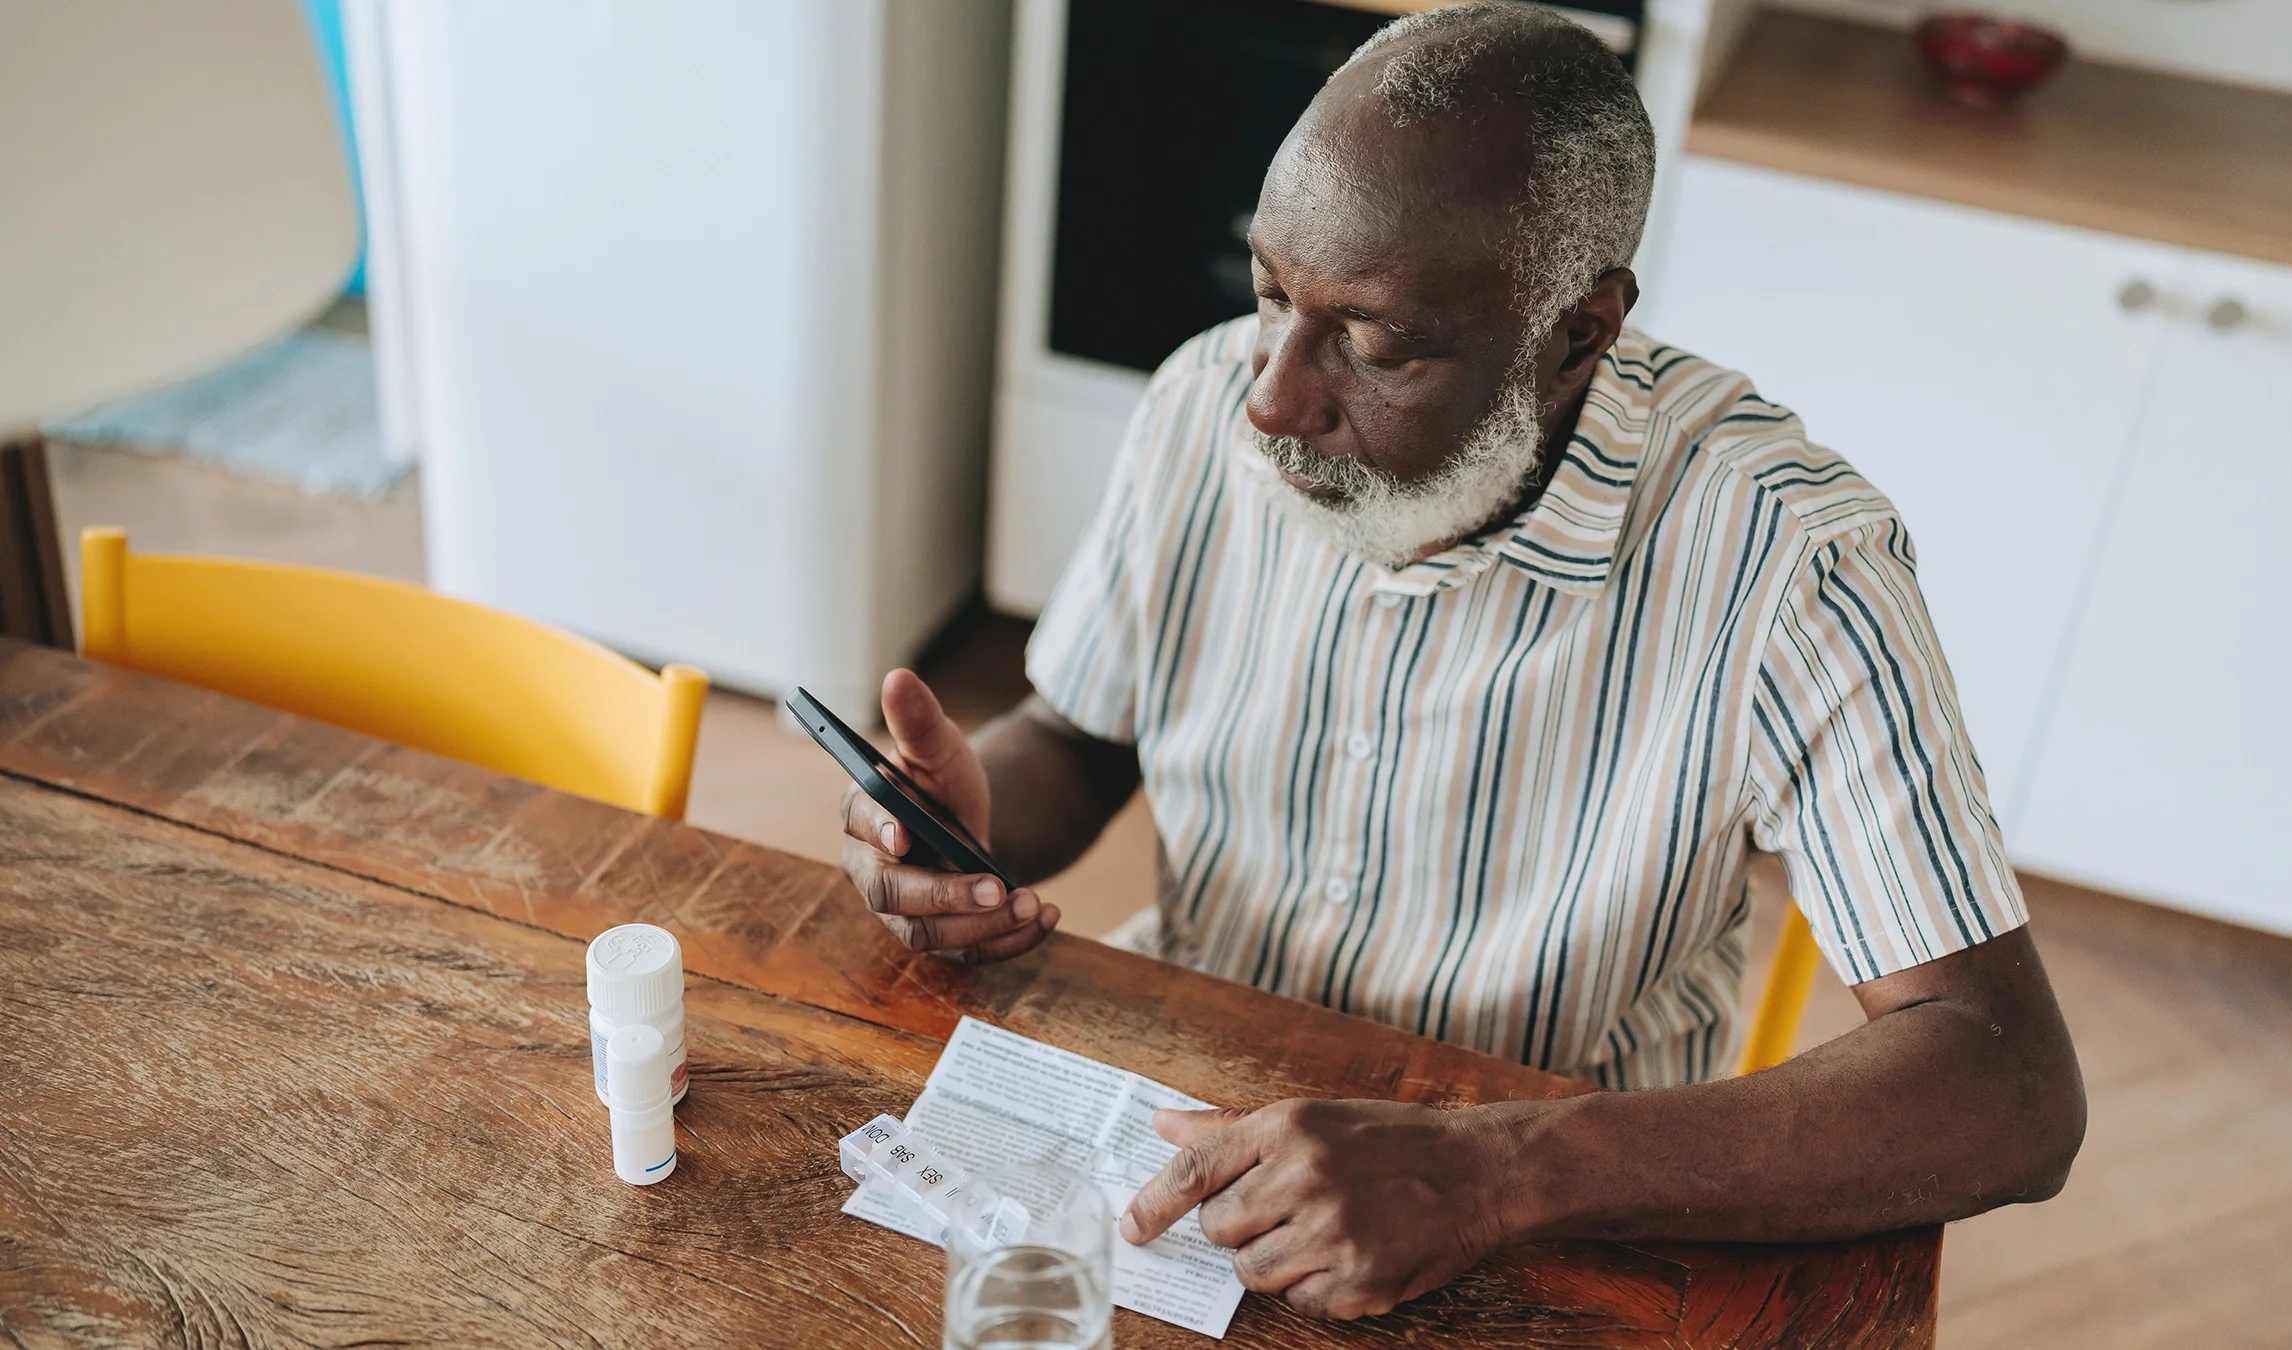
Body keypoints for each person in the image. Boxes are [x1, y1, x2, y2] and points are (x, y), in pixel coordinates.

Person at [841, 0, 2083, 1322]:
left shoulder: (1784, 561)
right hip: (1183, 1132)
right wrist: (967, 817)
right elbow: (1083, 740)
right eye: (1268, 292)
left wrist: (1499, 1169)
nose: (1272, 397)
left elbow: (2004, 1085)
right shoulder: (1209, 401)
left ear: (1577, 334)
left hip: (1552, 1215)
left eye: (1375, 341)